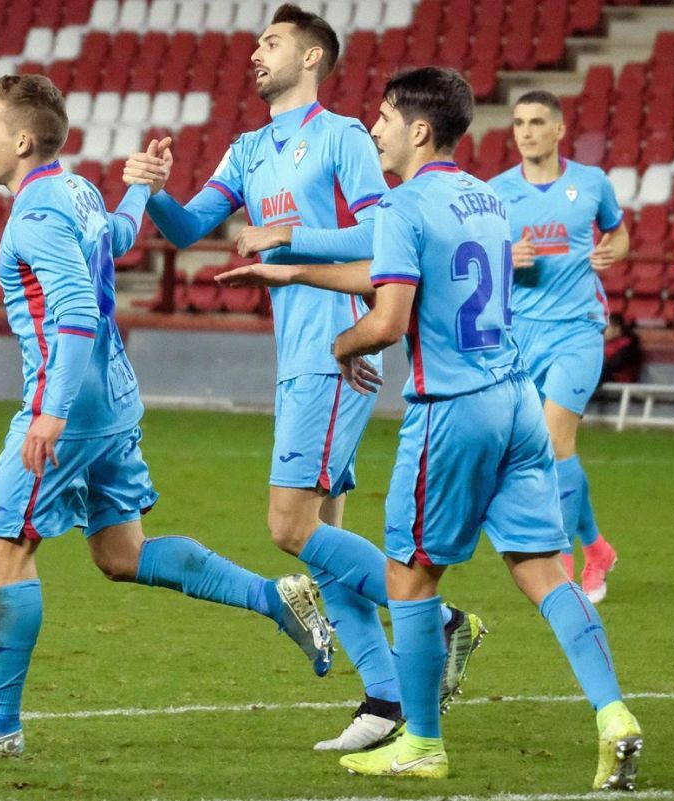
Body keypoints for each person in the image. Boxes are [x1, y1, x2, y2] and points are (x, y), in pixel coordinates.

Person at [217, 66, 642, 789]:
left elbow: (389, 316)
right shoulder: (488, 197)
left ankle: (421, 741)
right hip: (516, 402)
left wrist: (339, 347)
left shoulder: (406, 204)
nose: (375, 128)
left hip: (451, 408)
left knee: (410, 582)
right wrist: (292, 274)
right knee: (543, 571)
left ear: (417, 128)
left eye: (383, 117)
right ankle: (614, 714)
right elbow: (408, 273)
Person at [0, 74, 338, 758]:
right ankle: (274, 597)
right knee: (120, 552)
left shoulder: (36, 215)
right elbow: (115, 234)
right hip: (114, 400)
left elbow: (77, 311)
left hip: (70, 406)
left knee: (4, 550)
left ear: (22, 140)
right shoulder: (76, 190)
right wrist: (142, 186)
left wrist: (49, 414)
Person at [123, 3, 485, 751]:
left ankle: (440, 618)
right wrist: (153, 187)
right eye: (257, 41)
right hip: (298, 354)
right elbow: (192, 228)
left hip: (338, 348)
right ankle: (385, 701)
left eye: (273, 42)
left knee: (289, 527)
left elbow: (386, 229)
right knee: (322, 540)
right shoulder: (249, 148)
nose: (256, 53)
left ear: (314, 56)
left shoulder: (345, 137)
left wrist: (290, 237)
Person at [488, 90, 631, 603]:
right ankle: (597, 548)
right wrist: (507, 257)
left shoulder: (591, 184)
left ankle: (564, 565)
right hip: (522, 333)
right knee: (545, 447)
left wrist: (611, 253)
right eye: (519, 122)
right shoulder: (497, 192)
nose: (525, 131)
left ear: (559, 130)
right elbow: (480, 257)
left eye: (536, 122)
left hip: (578, 329)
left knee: (554, 442)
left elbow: (618, 233)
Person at [601, 313, 642, 384]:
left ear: (617, 329)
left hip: (619, 380)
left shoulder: (629, 345)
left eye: (606, 328)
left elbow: (615, 365)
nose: (602, 331)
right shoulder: (602, 344)